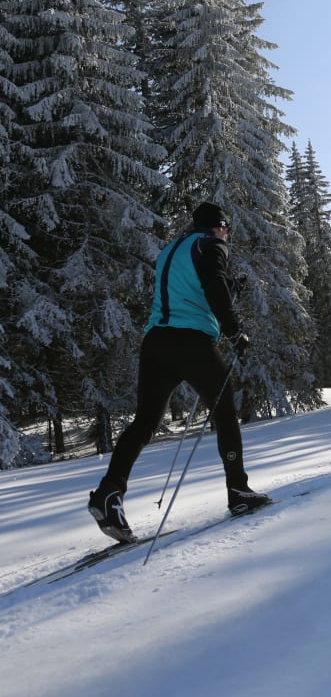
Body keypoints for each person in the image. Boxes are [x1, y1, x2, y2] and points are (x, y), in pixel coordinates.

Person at [88, 201, 270, 543]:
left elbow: (191, 288)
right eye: (226, 228)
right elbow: (213, 282)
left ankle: (108, 493)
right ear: (218, 226)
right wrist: (234, 330)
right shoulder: (211, 244)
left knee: (144, 422)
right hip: (191, 341)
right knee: (224, 411)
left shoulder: (173, 249)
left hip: (156, 341)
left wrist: (228, 291)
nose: (227, 235)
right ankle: (239, 491)